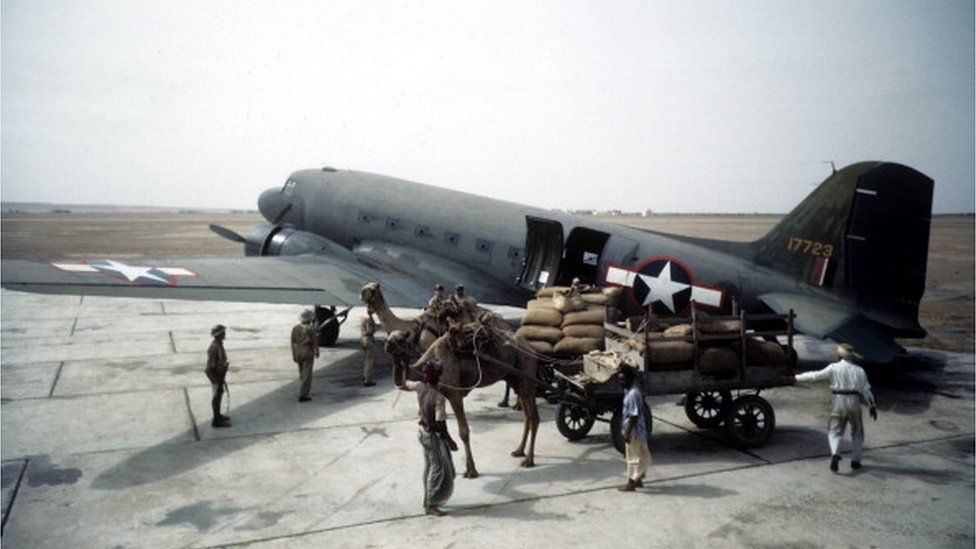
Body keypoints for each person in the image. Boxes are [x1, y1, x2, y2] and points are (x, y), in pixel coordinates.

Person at [794, 343, 877, 472]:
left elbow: (815, 376)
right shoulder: (859, 370)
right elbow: (866, 391)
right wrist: (872, 406)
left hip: (838, 400)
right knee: (857, 433)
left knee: (834, 431)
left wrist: (795, 378)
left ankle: (835, 454)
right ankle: (856, 461)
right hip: (854, 401)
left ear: (839, 356)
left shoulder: (833, 368)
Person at [395, 359, 456, 516]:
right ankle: (431, 504)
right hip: (432, 437)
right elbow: (440, 423)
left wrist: (400, 365)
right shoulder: (439, 398)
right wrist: (449, 440)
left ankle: (427, 499)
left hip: (422, 434)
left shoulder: (420, 387)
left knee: (428, 466)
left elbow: (403, 383)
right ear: (439, 376)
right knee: (438, 469)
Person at [617, 364, 651, 491]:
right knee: (639, 454)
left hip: (634, 429)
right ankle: (639, 480)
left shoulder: (632, 394)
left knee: (633, 457)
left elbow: (633, 416)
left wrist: (627, 433)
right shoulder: (631, 389)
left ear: (630, 379)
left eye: (623, 380)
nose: (621, 383)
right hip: (638, 428)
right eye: (619, 380)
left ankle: (631, 483)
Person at [291, 309, 320, 402]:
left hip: (298, 350)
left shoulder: (295, 328)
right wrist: (316, 351)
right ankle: (303, 394)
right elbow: (315, 342)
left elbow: (292, 342)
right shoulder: (310, 329)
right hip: (307, 351)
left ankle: (303, 387)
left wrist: (294, 354)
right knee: (307, 373)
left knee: (301, 371)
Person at [206, 324, 231, 428]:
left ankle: (218, 416)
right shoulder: (214, 347)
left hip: (219, 374)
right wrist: (217, 380)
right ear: (218, 335)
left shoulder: (219, 344)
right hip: (216, 375)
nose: (225, 334)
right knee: (216, 397)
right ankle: (216, 420)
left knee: (219, 395)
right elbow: (210, 367)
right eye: (223, 332)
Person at [360, 309, 378, 387]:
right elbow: (370, 330)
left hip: (363, 339)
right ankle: (368, 380)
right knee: (370, 360)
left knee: (367, 359)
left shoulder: (363, 317)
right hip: (368, 339)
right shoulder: (369, 319)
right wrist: (377, 328)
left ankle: (365, 375)